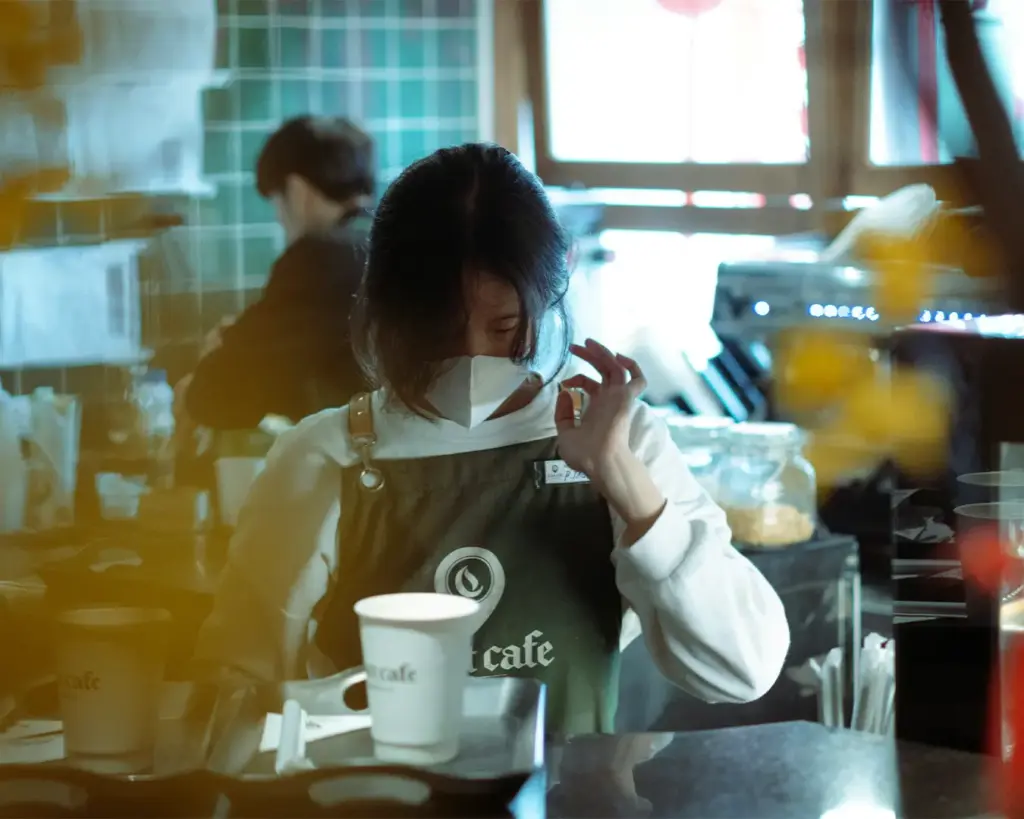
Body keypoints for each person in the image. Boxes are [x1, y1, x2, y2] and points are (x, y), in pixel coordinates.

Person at [193, 144, 790, 735]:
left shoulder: (617, 438)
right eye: (442, 330)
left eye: (505, 327)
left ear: (550, 292)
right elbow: (238, 689)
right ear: (390, 310)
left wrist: (624, 482)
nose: (476, 355)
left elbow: (743, 670)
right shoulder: (326, 455)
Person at [180, 116, 375, 431]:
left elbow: (227, 396)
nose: (280, 221)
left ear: (297, 192)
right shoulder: (390, 238)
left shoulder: (324, 257)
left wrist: (203, 375)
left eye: (276, 204)